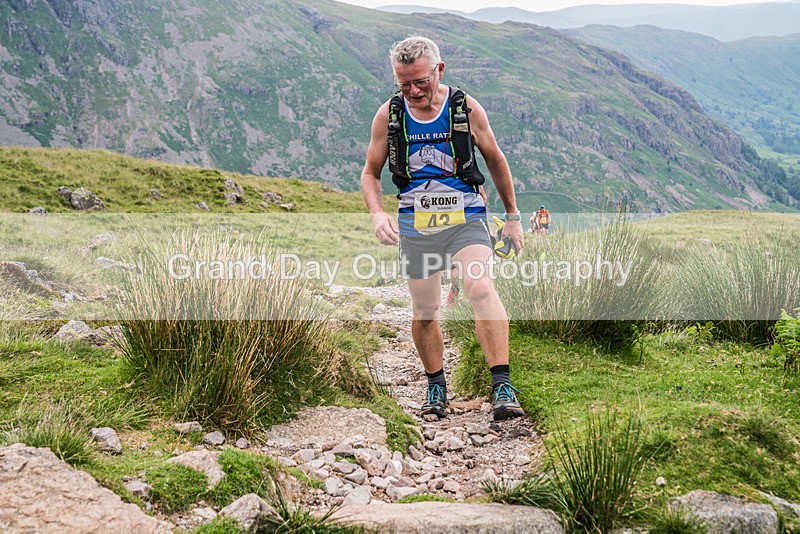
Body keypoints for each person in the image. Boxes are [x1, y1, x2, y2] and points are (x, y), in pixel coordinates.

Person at [360, 35, 525, 421]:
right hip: (415, 226)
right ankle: (436, 385)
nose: (414, 91)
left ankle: (502, 384)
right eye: (404, 84)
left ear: (439, 70)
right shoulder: (390, 115)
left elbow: (496, 161)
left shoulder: (464, 108)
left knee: (480, 286)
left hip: (466, 216)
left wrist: (513, 218)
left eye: (421, 81)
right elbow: (370, 172)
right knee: (425, 309)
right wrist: (376, 213)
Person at [446, 185, 487, 307]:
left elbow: (482, 199)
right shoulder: (471, 182)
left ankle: (456, 294)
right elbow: (483, 200)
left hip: (459, 228)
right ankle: (459, 296)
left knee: (457, 265)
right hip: (464, 227)